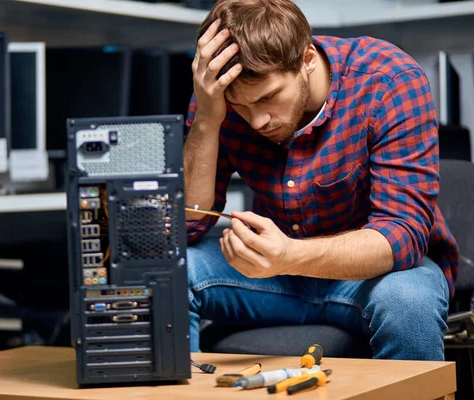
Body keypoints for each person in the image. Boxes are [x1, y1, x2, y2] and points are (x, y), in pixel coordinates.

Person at [183, 0, 458, 361]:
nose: (257, 121)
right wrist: (207, 117)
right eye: (241, 107)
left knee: (409, 303)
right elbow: (188, 224)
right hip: (270, 277)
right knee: (165, 276)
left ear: (307, 58)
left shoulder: (388, 80)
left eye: (268, 97)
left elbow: (401, 236)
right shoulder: (217, 95)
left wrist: (289, 256)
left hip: (374, 277)